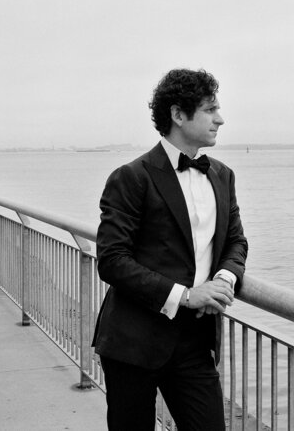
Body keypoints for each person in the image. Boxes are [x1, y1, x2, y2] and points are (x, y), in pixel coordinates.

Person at [93, 68, 249, 431]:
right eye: (210, 109)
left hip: (194, 342)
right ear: (178, 114)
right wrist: (187, 296)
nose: (220, 119)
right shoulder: (132, 177)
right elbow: (112, 260)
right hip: (133, 342)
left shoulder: (222, 175)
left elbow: (236, 241)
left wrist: (224, 280)